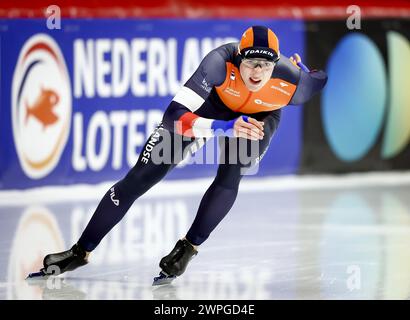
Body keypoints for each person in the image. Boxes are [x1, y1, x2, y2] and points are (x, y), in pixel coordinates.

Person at [28, 25, 327, 284]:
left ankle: (189, 247)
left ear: (276, 65)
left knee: (233, 168)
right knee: (140, 177)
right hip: (212, 109)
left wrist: (305, 70)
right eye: (251, 64)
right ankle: (81, 250)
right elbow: (172, 116)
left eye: (265, 65)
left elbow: (320, 77)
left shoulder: (294, 84)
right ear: (238, 57)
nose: (257, 73)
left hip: (258, 118)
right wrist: (222, 127)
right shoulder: (218, 63)